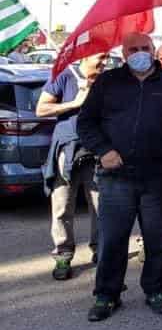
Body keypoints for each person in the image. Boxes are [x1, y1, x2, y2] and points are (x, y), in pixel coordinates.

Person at [78, 33, 162, 321]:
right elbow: (86, 122)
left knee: (158, 238)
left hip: (160, 177)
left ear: (154, 50)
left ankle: (157, 291)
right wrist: (103, 150)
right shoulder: (108, 83)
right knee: (113, 239)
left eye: (145, 48)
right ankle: (107, 295)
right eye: (133, 49)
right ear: (123, 52)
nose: (140, 53)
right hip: (116, 176)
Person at [37, 52, 108, 281]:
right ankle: (63, 255)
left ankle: (101, 250)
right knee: (62, 206)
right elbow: (42, 109)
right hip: (65, 152)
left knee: (100, 205)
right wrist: (74, 103)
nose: (105, 62)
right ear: (85, 56)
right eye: (101, 57)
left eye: (107, 57)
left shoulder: (106, 81)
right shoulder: (64, 76)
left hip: (95, 151)